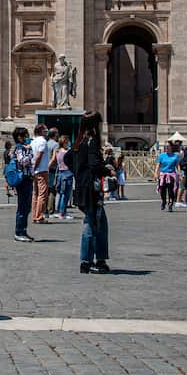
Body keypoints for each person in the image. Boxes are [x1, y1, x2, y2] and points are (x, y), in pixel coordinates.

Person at [70, 112, 109, 273]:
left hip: (81, 188)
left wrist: (79, 174)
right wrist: (107, 170)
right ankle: (89, 262)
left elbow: (67, 159)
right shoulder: (92, 141)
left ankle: (94, 260)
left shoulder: (78, 142)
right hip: (91, 190)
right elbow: (94, 165)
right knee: (93, 225)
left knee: (94, 222)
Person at [9, 127, 37, 242]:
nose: (27, 138)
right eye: (25, 136)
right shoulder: (20, 148)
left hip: (28, 179)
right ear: (19, 137)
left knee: (27, 207)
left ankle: (24, 230)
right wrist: (31, 153)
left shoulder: (25, 148)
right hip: (23, 180)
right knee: (22, 207)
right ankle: (18, 232)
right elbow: (22, 161)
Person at [29, 124, 52, 225]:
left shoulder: (33, 141)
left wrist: (33, 169)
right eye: (45, 131)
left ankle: (34, 215)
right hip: (42, 170)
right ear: (41, 131)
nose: (46, 133)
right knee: (42, 194)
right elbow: (39, 156)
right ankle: (39, 216)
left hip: (35, 171)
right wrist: (35, 167)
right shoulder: (42, 141)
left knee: (35, 194)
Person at [156, 139, 181, 212]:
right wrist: (155, 173)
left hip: (171, 175)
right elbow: (158, 165)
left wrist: (180, 174)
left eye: (168, 146)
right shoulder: (161, 156)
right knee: (162, 190)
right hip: (163, 175)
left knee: (171, 191)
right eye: (165, 146)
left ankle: (170, 204)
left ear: (171, 147)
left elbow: (177, 166)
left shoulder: (175, 156)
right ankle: (163, 201)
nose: (166, 148)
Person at [53, 135, 74, 220]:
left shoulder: (57, 151)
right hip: (67, 173)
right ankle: (63, 213)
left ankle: (60, 211)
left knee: (61, 194)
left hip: (60, 173)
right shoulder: (66, 152)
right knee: (66, 195)